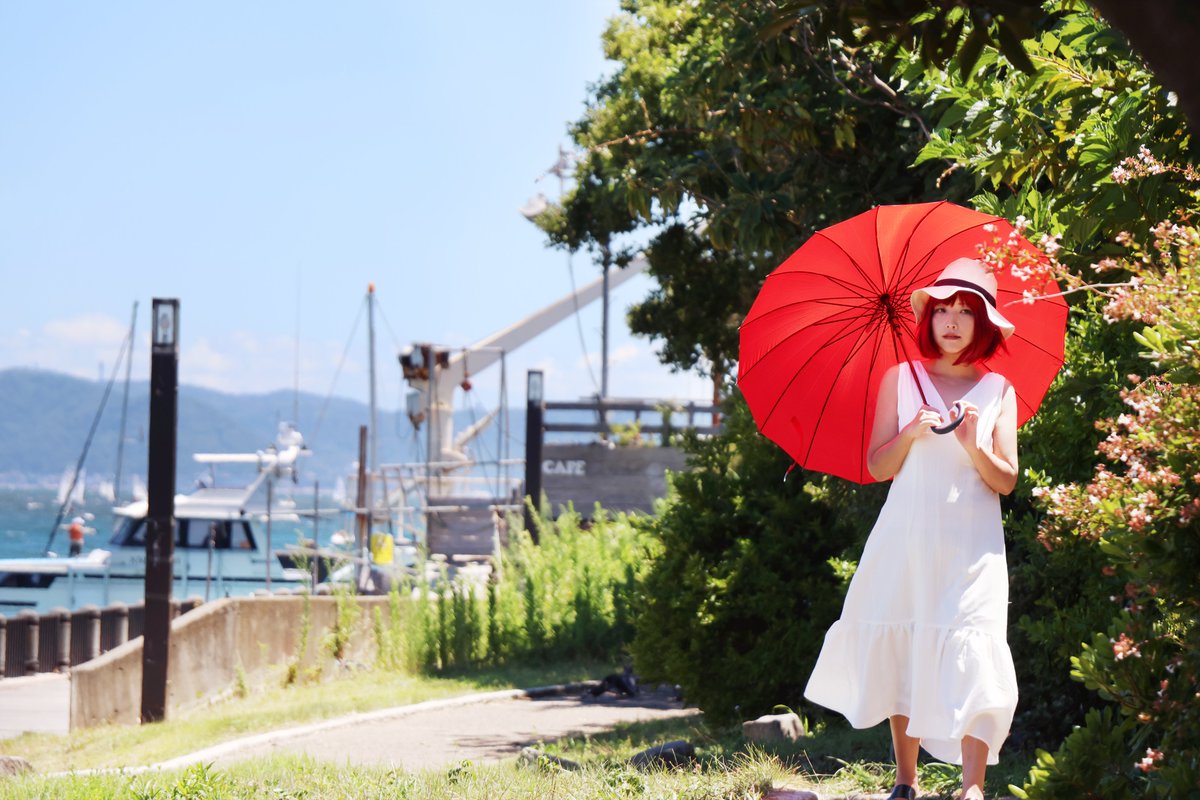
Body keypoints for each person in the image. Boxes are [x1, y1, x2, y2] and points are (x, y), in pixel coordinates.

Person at [804, 257, 1020, 800]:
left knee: (976, 646)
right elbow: (879, 466)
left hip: (973, 547)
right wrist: (909, 432)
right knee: (907, 642)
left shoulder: (999, 390)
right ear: (929, 318)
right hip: (907, 537)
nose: (952, 321)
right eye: (943, 309)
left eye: (966, 312)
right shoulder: (901, 378)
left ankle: (973, 786)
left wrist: (973, 446)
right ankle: (906, 779)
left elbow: (1007, 479)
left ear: (983, 323)